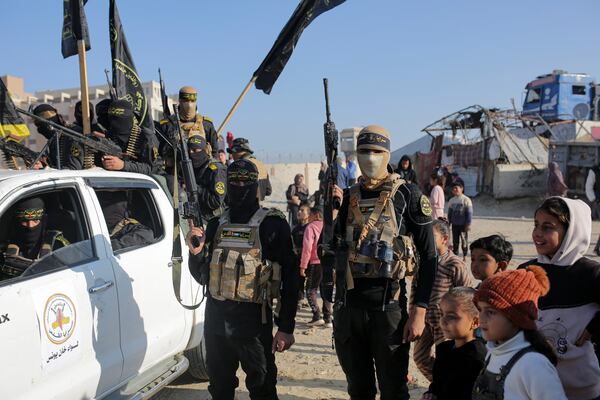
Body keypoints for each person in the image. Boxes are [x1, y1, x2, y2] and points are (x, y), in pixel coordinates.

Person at [331, 125, 437, 400]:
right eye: (363, 151)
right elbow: (330, 251)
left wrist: (420, 310)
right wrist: (329, 213)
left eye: (377, 151)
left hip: (388, 307)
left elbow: (429, 256)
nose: (370, 158)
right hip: (349, 308)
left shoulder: (409, 194)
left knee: (393, 389)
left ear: (387, 153)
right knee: (358, 389)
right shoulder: (347, 196)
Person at [186, 159, 298, 400]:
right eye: (233, 181)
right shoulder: (217, 224)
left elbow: (291, 277)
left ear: (256, 185)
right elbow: (202, 276)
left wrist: (286, 327)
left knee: (262, 389)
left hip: (254, 325)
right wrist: (195, 255)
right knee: (219, 390)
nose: (239, 186)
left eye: (245, 181)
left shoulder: (273, 224)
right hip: (216, 325)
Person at [519, 197, 600, 399]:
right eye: (536, 225)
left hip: (581, 385)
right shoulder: (527, 271)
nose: (537, 233)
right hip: (535, 381)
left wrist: (592, 329)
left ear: (572, 231)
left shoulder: (591, 273)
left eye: (548, 227)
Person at [472, 267, 567, 399]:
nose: (481, 318)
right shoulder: (492, 352)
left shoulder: (533, 364)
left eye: (490, 312)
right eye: (480, 309)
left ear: (516, 318)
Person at [412, 219, 475, 381]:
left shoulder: (454, 263)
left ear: (445, 239)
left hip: (446, 321)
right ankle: (442, 384)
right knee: (420, 358)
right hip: (424, 320)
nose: (426, 240)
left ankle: (447, 388)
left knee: (446, 358)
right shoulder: (422, 262)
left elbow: (466, 293)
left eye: (431, 236)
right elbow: (415, 288)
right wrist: (412, 313)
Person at [422, 287, 485, 400]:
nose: (443, 321)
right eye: (442, 314)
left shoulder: (478, 358)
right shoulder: (444, 349)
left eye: (452, 316)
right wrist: (430, 394)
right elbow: (437, 385)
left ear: (475, 322)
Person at [0, 197, 69, 280]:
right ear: (17, 222)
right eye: (24, 221)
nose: (30, 226)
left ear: (43, 221)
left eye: (35, 220)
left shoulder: (58, 246)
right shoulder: (5, 250)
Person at [100, 100, 161, 175]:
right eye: (112, 118)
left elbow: (151, 168)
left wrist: (123, 165)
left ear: (129, 118)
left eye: (119, 119)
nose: (114, 124)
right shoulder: (110, 135)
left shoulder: (145, 137)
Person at [158, 86, 218, 159]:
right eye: (185, 101)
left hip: (202, 169)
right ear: (179, 100)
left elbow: (215, 153)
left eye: (192, 101)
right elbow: (158, 155)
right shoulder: (167, 125)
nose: (189, 105)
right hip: (174, 169)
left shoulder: (206, 125)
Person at [300, 207, 331, 327]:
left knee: (310, 290)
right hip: (327, 262)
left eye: (311, 214)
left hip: (315, 262)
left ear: (316, 215)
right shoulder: (328, 226)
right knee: (326, 289)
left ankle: (317, 315)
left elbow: (307, 248)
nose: (309, 217)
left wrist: (303, 266)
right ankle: (328, 318)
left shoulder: (311, 227)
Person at [188, 134, 227, 223]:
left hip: (214, 220)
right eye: (189, 150)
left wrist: (195, 188)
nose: (191, 153)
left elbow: (216, 201)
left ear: (205, 150)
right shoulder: (193, 168)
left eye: (195, 150)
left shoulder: (216, 170)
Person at [32, 104, 70, 169]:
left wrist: (46, 169)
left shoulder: (71, 135)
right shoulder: (54, 139)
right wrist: (43, 164)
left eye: (41, 125)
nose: (40, 130)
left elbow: (73, 169)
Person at [447, 179, 472, 259]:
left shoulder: (466, 200)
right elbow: (450, 213)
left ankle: (464, 256)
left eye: (456, 188)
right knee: (455, 242)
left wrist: (468, 224)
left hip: (463, 225)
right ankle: (456, 256)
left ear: (462, 189)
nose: (455, 190)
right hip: (455, 225)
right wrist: (448, 223)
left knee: (464, 241)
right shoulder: (451, 200)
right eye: (453, 188)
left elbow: (469, 213)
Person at [291, 204, 311, 306]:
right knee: (299, 279)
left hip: (310, 258)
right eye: (299, 210)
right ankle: (300, 299)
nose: (299, 212)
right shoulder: (295, 228)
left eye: (302, 211)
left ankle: (311, 301)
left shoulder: (310, 227)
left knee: (310, 282)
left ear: (308, 215)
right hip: (298, 257)